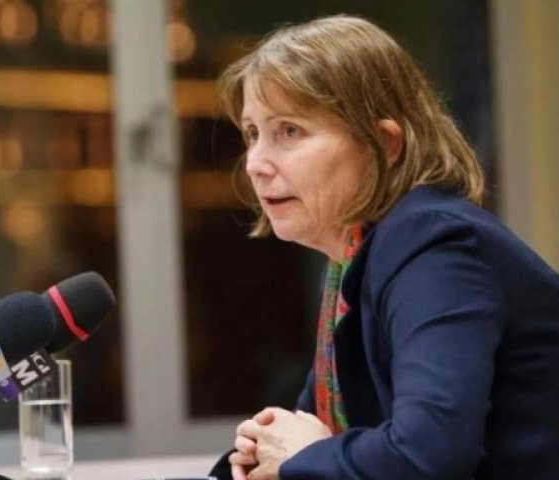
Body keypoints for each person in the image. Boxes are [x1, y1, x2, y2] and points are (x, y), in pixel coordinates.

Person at [208, 14, 559, 480]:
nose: (255, 163)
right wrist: (258, 458)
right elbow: (307, 436)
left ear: (384, 143)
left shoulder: (434, 245)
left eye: (289, 131)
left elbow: (426, 455)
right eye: (253, 133)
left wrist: (297, 457)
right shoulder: (354, 260)